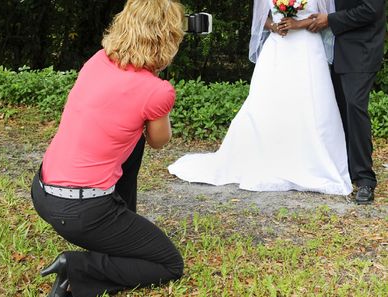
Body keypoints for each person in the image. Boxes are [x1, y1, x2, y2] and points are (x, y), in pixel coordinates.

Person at [30, 1, 185, 296]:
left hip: (43, 192)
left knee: (127, 136)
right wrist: (159, 102)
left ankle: (121, 223)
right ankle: (74, 270)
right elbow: (159, 140)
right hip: (81, 212)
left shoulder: (98, 60)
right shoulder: (157, 91)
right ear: (168, 38)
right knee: (169, 263)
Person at [168, 0, 353, 196]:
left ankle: (312, 161)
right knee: (268, 105)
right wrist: (273, 25)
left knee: (310, 104)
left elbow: (324, 20)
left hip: (307, 48)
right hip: (278, 47)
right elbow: (261, 18)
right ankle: (267, 157)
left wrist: (299, 24)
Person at [307, 0, 386, 204]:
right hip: (325, 50)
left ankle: (365, 179)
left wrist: (330, 20)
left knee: (354, 106)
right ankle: (341, 168)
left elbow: (371, 10)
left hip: (360, 51)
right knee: (335, 109)